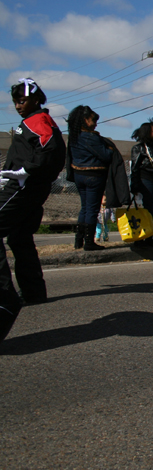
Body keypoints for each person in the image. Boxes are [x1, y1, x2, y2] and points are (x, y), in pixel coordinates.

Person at [0, 78, 66, 342]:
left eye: (22, 100)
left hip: (24, 187)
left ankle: (4, 300)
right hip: (28, 186)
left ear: (37, 99)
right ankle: (34, 292)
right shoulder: (35, 119)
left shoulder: (36, 120)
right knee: (19, 237)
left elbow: (50, 148)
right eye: (16, 101)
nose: (18, 105)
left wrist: (26, 171)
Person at [66, 105, 113, 251]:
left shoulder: (74, 136)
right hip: (94, 176)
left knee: (84, 208)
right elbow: (106, 155)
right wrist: (110, 148)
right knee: (92, 209)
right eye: (93, 120)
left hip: (79, 175)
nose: (95, 123)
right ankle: (89, 242)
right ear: (85, 120)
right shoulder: (91, 137)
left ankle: (78, 240)